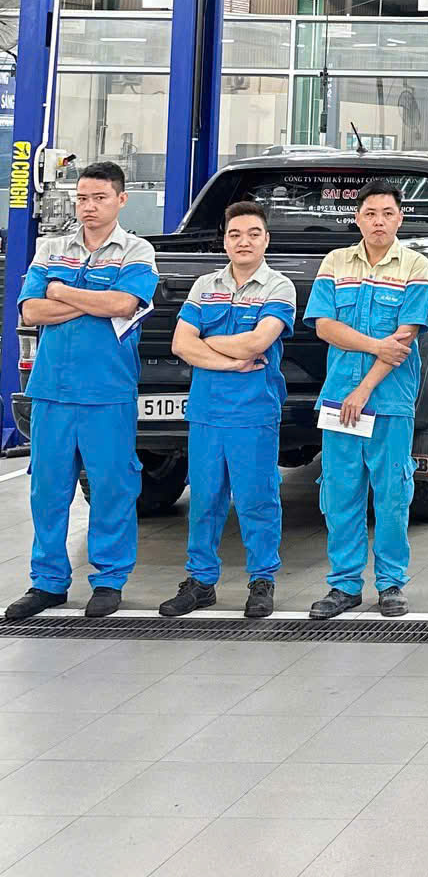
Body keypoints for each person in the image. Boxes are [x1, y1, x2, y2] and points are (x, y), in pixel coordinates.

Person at [5, 162, 158, 622]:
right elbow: (31, 311)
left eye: (99, 198)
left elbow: (124, 303)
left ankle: (109, 580)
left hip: (107, 391)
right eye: (82, 199)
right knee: (47, 490)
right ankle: (48, 582)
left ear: (121, 200)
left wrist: (61, 292)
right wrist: (91, 302)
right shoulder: (52, 248)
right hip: (52, 390)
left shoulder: (137, 251)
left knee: (112, 487)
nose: (89, 207)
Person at [303, 180, 428, 619]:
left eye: (387, 213)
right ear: (357, 218)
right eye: (370, 213)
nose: (379, 221)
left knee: (392, 494)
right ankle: (343, 585)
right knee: (340, 492)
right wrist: (374, 346)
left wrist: (364, 388)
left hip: (388, 399)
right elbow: (324, 326)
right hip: (339, 399)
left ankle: (391, 583)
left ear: (400, 218)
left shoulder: (416, 266)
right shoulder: (335, 262)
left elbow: (405, 338)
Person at [158, 202, 296, 620]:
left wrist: (207, 343)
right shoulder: (205, 285)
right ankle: (200, 582)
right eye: (235, 234)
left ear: (266, 239)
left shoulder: (279, 287)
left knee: (256, 499)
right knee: (204, 500)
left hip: (253, 412)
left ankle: (262, 579)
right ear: (224, 240)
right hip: (206, 412)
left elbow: (258, 342)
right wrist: (231, 362)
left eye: (253, 233)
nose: (243, 241)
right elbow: (180, 344)